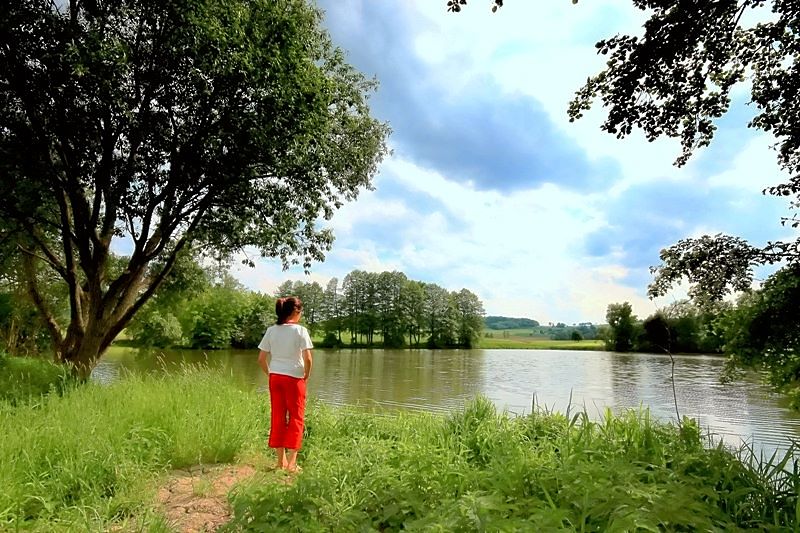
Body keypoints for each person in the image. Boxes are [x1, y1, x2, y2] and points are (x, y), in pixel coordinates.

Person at [257, 296, 313, 473]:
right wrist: (306, 376)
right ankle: (292, 464)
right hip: (294, 378)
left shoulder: (272, 331)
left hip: (276, 378)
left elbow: (261, 359)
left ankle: (279, 462)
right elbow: (308, 359)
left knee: (278, 417)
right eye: (300, 312)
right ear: (295, 312)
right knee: (296, 418)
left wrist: (271, 373)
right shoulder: (300, 331)